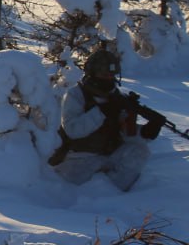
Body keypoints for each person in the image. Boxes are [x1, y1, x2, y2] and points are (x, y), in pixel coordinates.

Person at [52, 49, 161, 191]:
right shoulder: (75, 95)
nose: (109, 79)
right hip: (79, 158)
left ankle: (114, 194)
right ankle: (93, 198)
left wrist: (145, 132)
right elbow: (73, 130)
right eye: (104, 75)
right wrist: (102, 111)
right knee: (79, 186)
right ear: (92, 73)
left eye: (112, 75)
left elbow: (125, 132)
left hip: (108, 155)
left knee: (139, 151)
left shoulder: (116, 96)